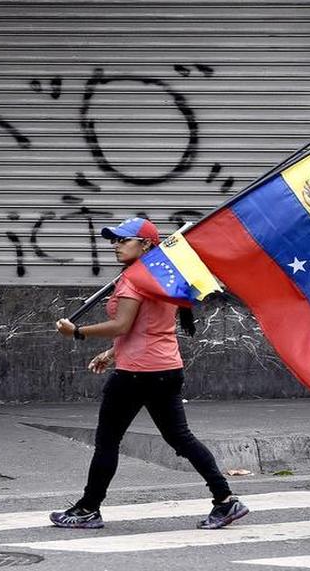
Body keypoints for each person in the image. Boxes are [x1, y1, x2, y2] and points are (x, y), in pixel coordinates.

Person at [52, 216, 248, 530]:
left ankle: (89, 508)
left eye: (123, 240)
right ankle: (225, 500)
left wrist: (77, 332)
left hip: (136, 375)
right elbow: (147, 327)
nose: (116, 245)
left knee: (107, 441)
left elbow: (122, 325)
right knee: (181, 439)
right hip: (165, 369)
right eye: (114, 240)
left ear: (146, 244)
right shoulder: (162, 276)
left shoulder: (134, 279)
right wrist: (112, 352)